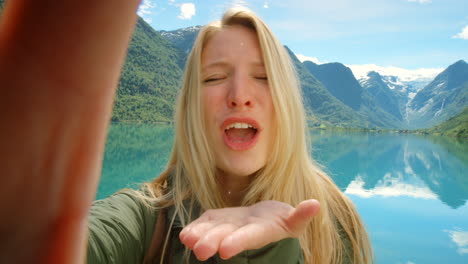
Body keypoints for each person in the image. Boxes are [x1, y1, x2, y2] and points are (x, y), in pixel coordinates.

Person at [0, 1, 372, 264]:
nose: (240, 96)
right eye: (214, 78)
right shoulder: (147, 217)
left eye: (263, 77)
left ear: (289, 103)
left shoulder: (335, 220)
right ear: (190, 107)